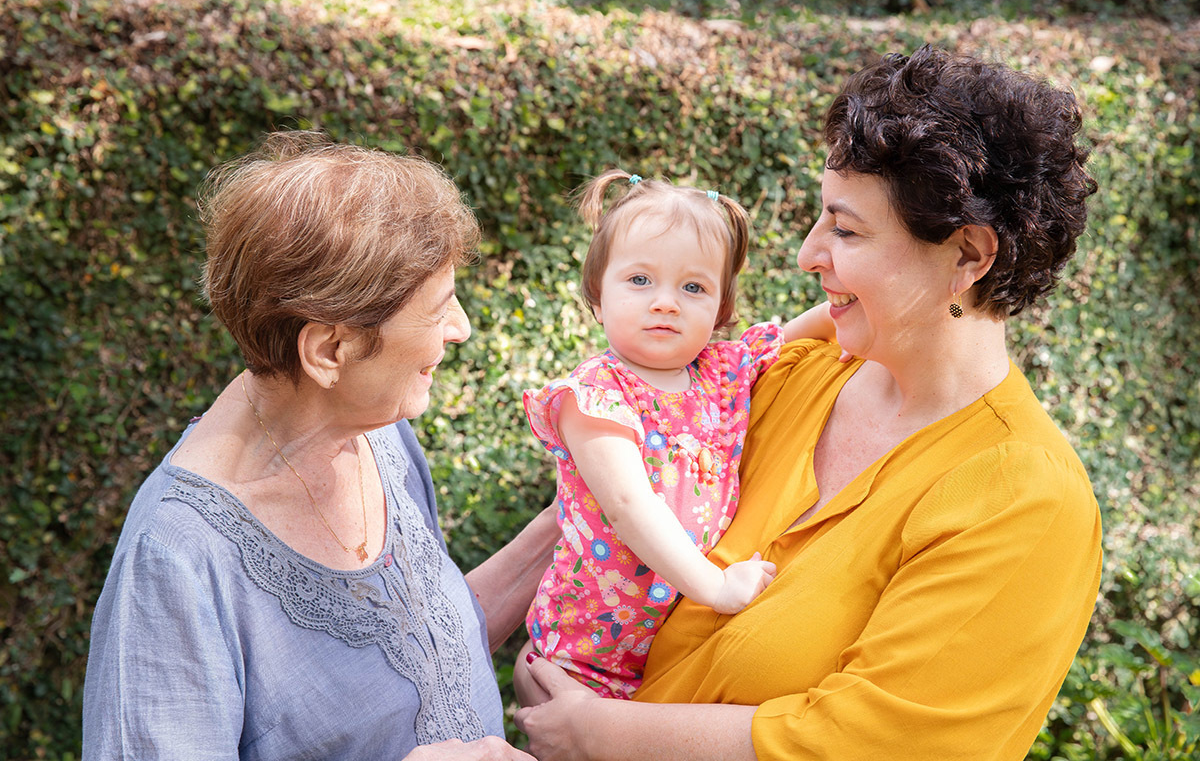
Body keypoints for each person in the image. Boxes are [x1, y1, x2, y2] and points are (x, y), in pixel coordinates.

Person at [514, 45, 1104, 761]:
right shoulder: (790, 375)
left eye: (846, 230)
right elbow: (598, 507)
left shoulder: (1025, 500)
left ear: (970, 256)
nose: (806, 252)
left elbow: (877, 744)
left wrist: (598, 732)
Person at [82, 131, 557, 760]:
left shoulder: (377, 433)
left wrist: (574, 519)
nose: (461, 328)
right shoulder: (177, 560)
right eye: (438, 309)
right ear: (330, 350)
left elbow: (426, 646)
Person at [518, 170, 836, 700]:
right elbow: (627, 505)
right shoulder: (597, 395)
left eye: (693, 287)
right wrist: (714, 587)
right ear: (597, 297)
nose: (666, 302)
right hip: (583, 655)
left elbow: (816, 322)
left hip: (671, 651)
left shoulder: (723, 372)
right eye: (640, 280)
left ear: (720, 311)